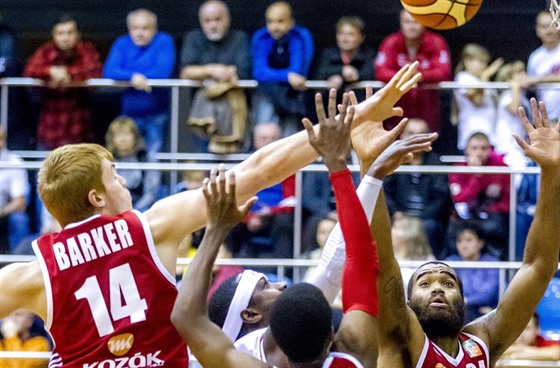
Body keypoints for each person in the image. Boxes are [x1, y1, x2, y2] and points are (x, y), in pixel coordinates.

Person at [0, 62, 424, 366]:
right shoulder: (152, 227)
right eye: (114, 176)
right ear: (96, 197)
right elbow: (259, 170)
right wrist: (348, 126)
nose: (124, 182)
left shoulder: (32, 275)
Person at [171, 89, 436, 368]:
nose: (282, 283)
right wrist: (348, 168)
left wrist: (215, 229)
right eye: (265, 285)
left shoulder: (226, 359)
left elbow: (185, 316)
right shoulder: (350, 355)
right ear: (332, 336)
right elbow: (359, 258)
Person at [370, 97, 560, 368]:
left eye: (448, 284)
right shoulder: (401, 340)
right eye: (425, 284)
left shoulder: (483, 340)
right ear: (408, 303)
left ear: (462, 299)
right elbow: (382, 264)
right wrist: (372, 172)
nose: (438, 288)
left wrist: (552, 173)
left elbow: (539, 266)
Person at [179, 0, 251, 154]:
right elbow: (185, 72)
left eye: (218, 19)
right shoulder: (193, 38)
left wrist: (205, 73)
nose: (213, 25)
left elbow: (243, 71)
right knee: (203, 163)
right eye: (208, 20)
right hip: (202, 116)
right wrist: (212, 70)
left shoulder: (240, 38)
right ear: (201, 21)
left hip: (234, 112)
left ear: (228, 19)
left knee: (235, 166)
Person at [103, 8, 175, 159]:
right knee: (125, 157)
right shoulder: (122, 43)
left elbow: (162, 72)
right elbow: (109, 71)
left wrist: (129, 75)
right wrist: (133, 77)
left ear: (154, 29)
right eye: (135, 28)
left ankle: (152, 185)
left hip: (157, 114)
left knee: (153, 158)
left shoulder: (164, 40)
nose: (140, 33)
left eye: (145, 28)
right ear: (129, 29)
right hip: (128, 114)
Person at [23, 14, 102, 150]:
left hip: (78, 130)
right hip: (49, 130)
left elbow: (95, 70)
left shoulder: (86, 50)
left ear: (77, 34)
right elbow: (29, 70)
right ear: (53, 35)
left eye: (70, 33)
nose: (65, 38)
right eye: (60, 33)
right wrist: (50, 71)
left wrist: (69, 74)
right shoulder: (46, 51)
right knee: (44, 171)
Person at [227, 122, 296, 266]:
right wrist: (249, 217)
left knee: (285, 222)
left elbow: (292, 200)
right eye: (264, 138)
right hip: (247, 215)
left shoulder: (290, 164)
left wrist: (270, 212)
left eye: (273, 138)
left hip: (276, 216)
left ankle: (283, 271)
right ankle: (229, 270)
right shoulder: (242, 165)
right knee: (227, 221)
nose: (269, 143)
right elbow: (235, 198)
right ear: (255, 141)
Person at [383, 117, 452, 259]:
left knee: (431, 227)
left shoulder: (437, 164)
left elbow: (442, 199)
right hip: (398, 216)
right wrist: (396, 212)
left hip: (426, 218)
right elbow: (384, 193)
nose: (416, 138)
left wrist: (420, 218)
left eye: (421, 134)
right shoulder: (393, 161)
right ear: (402, 136)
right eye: (411, 133)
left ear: (428, 139)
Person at [375, 9, 451, 134]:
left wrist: (419, 75)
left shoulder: (436, 42)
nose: (411, 26)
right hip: (397, 109)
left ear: (424, 23)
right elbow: (381, 72)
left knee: (427, 147)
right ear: (401, 23)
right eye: (407, 22)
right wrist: (405, 76)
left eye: (416, 22)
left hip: (428, 110)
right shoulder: (391, 42)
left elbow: (443, 72)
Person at [251, 1, 314, 136]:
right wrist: (286, 77)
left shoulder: (299, 37)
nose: (274, 27)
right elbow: (259, 72)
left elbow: (297, 71)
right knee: (264, 134)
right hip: (267, 94)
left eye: (280, 21)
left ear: (291, 22)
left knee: (290, 138)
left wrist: (286, 77)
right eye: (270, 21)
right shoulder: (262, 38)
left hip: (291, 96)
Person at [448, 132, 510, 259]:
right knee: (451, 229)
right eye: (474, 148)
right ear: (466, 150)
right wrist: (476, 175)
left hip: (491, 215)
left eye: (483, 148)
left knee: (496, 226)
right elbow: (460, 199)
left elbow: (507, 202)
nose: (479, 152)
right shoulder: (458, 168)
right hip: (464, 216)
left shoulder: (501, 168)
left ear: (490, 150)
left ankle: (496, 265)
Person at [445, 220, 499, 323]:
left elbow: (489, 294)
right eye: (459, 241)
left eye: (468, 240)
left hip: (485, 312)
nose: (464, 245)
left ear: (480, 243)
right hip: (456, 311)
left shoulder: (491, 263)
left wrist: (466, 301)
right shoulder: (450, 263)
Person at [104, 116, 162, 212]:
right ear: (111, 138)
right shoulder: (105, 160)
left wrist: (135, 211)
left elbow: (151, 192)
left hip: (142, 209)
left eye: (126, 134)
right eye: (118, 135)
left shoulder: (146, 158)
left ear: (135, 136)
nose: (123, 139)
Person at [453, 43, 504, 151]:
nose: (484, 66)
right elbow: (478, 101)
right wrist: (485, 77)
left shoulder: (481, 79)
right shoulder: (463, 78)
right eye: (480, 62)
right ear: (467, 61)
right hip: (473, 135)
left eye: (485, 62)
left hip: (490, 134)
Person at [314, 16, 375, 100]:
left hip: (360, 105)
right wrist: (341, 71)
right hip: (332, 105)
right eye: (341, 33)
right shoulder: (328, 54)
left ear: (361, 37)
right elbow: (319, 74)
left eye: (350, 34)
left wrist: (349, 77)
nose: (345, 38)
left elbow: (371, 75)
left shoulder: (369, 55)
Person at [521, 11, 560, 122]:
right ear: (537, 30)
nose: (549, 30)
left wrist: (538, 79)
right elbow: (531, 86)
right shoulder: (535, 57)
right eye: (544, 26)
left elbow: (534, 80)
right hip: (547, 119)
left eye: (552, 25)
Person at [494, 61, 531, 171]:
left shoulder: (523, 98)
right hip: (507, 148)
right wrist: (515, 87)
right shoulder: (507, 95)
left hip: (519, 147)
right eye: (519, 73)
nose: (524, 76)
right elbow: (514, 109)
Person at [0, 125, 30, 253]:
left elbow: (20, 203)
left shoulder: (14, 161)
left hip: (5, 211)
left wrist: (1, 211)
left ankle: (17, 261)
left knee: (19, 219)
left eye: (1, 139)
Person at [391, 213, 435, 291]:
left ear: (411, 234)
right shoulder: (388, 259)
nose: (392, 231)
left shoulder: (428, 262)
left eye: (397, 228)